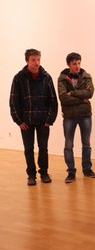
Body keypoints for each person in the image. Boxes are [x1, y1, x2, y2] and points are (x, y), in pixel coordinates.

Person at [10, 49, 58, 186]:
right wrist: (18, 121)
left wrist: (49, 120)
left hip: (43, 121)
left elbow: (53, 101)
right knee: (28, 148)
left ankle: (44, 173)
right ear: (27, 60)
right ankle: (31, 175)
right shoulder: (19, 78)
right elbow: (14, 101)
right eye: (33, 60)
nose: (36, 63)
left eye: (38, 59)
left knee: (43, 148)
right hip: (26, 121)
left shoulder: (46, 77)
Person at [57, 52, 95, 183]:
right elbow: (63, 98)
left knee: (86, 144)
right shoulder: (62, 78)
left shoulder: (86, 76)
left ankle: (87, 169)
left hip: (85, 115)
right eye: (74, 63)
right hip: (69, 116)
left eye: (79, 63)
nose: (77, 66)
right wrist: (82, 99)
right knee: (68, 145)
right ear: (69, 64)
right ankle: (71, 172)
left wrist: (73, 93)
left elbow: (90, 93)